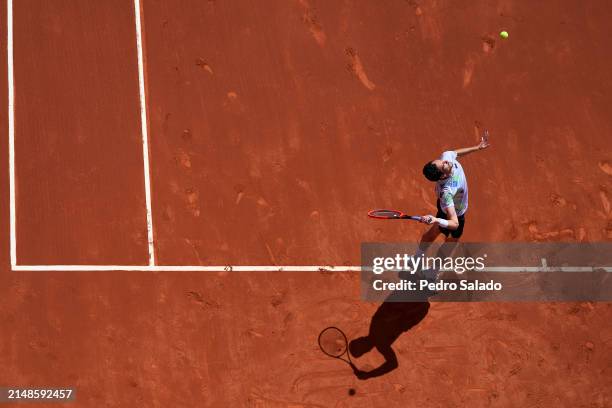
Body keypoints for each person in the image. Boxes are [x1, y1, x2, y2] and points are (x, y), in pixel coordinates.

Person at [415, 131, 490, 280]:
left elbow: (455, 153)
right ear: (442, 176)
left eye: (441, 161)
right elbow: (454, 223)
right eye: (443, 165)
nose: (446, 162)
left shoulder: (446, 158)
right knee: (450, 241)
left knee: (435, 231)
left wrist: (477, 147)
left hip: (449, 209)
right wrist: (437, 220)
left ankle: (416, 259)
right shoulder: (447, 192)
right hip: (453, 212)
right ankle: (431, 273)